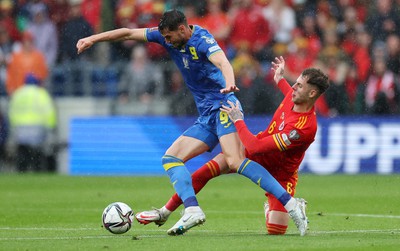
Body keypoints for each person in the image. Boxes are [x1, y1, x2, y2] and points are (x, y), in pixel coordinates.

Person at [76, 9, 307, 236]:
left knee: (236, 161)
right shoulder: (165, 36)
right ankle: (192, 209)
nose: (166, 41)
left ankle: (289, 203)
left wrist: (229, 83)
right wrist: (92, 39)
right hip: (206, 115)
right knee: (171, 158)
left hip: (224, 107)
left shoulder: (203, 40)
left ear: (183, 29)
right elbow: (127, 33)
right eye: (163, 37)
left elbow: (224, 63)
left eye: (169, 37)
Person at [136, 56, 330, 235]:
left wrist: (238, 120)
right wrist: (279, 77)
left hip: (281, 171)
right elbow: (286, 90)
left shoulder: (304, 128)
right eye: (295, 83)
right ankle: (166, 211)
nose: (294, 87)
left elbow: (254, 147)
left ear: (312, 93)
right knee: (205, 172)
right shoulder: (293, 96)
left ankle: (290, 205)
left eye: (300, 85)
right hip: (259, 151)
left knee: (275, 230)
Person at [8, 73, 57, 172]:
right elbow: (49, 111)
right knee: (37, 152)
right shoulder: (41, 93)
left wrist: (14, 126)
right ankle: (37, 170)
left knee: (22, 151)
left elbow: (11, 111)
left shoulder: (18, 93)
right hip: (37, 127)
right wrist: (51, 127)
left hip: (20, 127)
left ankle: (22, 170)